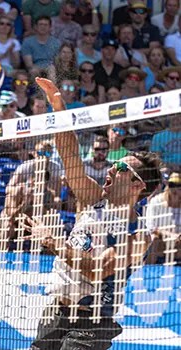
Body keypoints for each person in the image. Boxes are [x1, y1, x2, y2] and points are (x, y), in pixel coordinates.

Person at [30, 77, 162, 350]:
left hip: (93, 321)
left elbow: (96, 270)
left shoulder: (138, 236)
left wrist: (54, 242)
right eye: (114, 164)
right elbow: (70, 158)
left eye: (122, 168)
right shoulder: (93, 200)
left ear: (139, 186)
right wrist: (58, 105)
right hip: (56, 310)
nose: (112, 169)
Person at [146, 172, 181, 265]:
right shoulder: (156, 201)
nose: (176, 189)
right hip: (161, 240)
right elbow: (150, 227)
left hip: (179, 243)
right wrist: (170, 235)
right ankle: (148, 271)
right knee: (153, 239)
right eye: (173, 185)